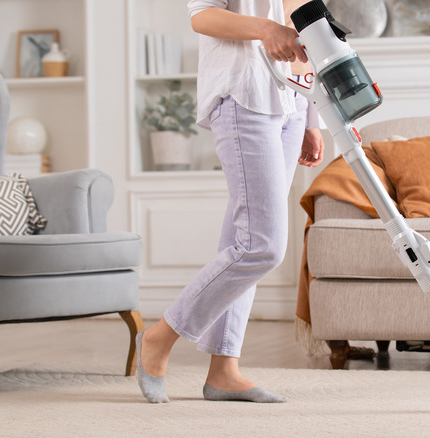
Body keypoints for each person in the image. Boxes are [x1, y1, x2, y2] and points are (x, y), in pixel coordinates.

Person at [135, 0, 324, 404]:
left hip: (290, 103)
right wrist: (264, 29)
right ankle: (158, 337)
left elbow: (304, 25)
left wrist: (311, 116)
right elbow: (202, 15)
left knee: (241, 239)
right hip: (243, 94)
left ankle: (224, 370)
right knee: (261, 244)